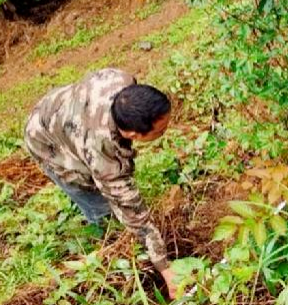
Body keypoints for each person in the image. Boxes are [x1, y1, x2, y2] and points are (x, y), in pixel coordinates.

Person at [24, 68, 179, 298]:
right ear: (133, 134)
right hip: (45, 140)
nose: (166, 130)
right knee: (99, 204)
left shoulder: (121, 80)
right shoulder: (103, 156)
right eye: (161, 130)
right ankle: (105, 237)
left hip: (56, 107)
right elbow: (137, 217)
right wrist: (165, 269)